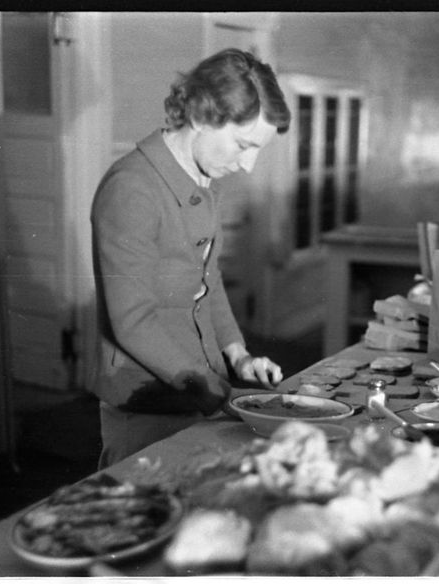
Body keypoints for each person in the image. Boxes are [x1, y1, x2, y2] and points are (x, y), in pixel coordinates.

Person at [91, 48, 290, 468]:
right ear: (201, 117)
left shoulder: (198, 179)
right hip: (147, 402)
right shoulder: (133, 189)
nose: (249, 165)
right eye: (242, 144)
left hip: (197, 394)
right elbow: (132, 322)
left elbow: (207, 281)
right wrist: (219, 394)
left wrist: (238, 355)